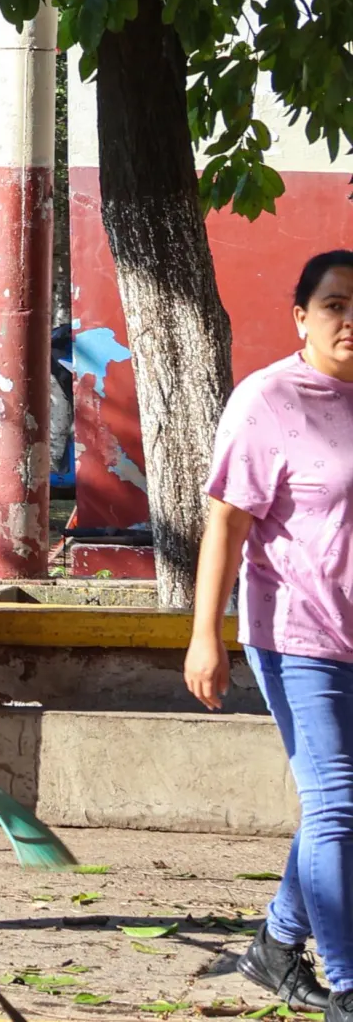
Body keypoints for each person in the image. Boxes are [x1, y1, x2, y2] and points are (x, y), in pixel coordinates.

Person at [187, 249, 353, 1018]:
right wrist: (205, 634)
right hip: (295, 633)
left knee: (338, 804)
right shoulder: (267, 399)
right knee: (337, 803)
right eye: (334, 304)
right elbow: (226, 519)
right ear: (300, 315)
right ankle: (349, 981)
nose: (349, 319)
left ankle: (276, 944)